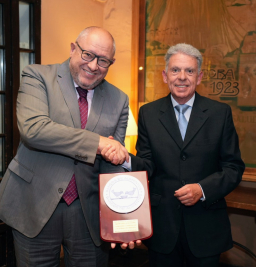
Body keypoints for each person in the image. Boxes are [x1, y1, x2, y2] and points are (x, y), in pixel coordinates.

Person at [0, 26, 132, 267]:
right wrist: (97, 142)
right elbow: (34, 129)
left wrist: (124, 218)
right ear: (73, 49)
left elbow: (112, 167)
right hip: (33, 203)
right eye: (87, 55)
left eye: (104, 60)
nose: (94, 65)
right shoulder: (38, 77)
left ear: (111, 63)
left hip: (87, 214)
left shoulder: (119, 99)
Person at [103, 43, 245, 266]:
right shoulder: (148, 113)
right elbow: (147, 164)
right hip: (163, 229)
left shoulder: (220, 113)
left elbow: (234, 167)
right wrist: (125, 157)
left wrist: (202, 189)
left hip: (206, 228)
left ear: (199, 77)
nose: (182, 77)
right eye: (175, 70)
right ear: (165, 75)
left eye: (189, 71)